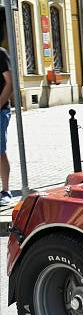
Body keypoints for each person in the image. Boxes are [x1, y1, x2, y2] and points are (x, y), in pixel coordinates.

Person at [0, 45, 12, 205]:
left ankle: (6, 190)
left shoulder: (1, 54)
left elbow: (9, 83)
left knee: (0, 151)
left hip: (0, 110)